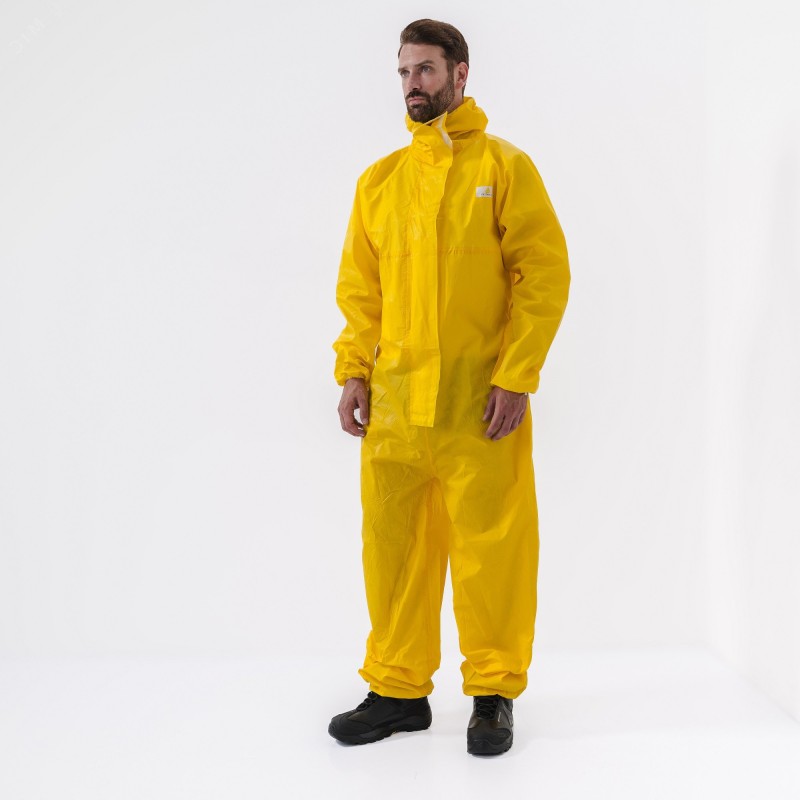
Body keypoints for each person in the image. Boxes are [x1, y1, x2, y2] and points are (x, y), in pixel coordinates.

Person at [329, 19, 570, 756]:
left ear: (460, 74)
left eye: (426, 70)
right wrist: (354, 370)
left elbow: (543, 276)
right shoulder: (380, 182)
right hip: (397, 409)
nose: (413, 84)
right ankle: (398, 690)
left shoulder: (504, 168)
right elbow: (361, 291)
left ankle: (493, 693)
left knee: (491, 552)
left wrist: (516, 376)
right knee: (394, 550)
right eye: (405, 71)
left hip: (477, 405)